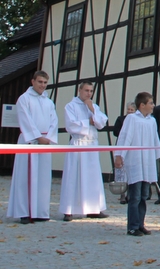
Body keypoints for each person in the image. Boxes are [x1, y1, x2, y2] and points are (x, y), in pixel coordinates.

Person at [6, 71, 58, 224]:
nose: (42, 85)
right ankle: (24, 212)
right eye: (40, 82)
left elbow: (54, 121)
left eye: (45, 83)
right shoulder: (24, 99)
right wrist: (37, 137)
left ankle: (40, 211)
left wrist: (48, 138)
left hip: (45, 143)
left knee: (43, 177)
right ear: (33, 81)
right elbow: (25, 119)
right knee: (25, 177)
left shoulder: (49, 102)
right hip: (29, 140)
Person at [115, 91, 160, 236]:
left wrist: (158, 157)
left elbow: (155, 139)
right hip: (135, 161)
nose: (153, 106)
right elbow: (125, 137)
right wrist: (119, 155)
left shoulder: (152, 121)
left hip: (147, 161)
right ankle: (132, 226)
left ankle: (140, 224)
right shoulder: (131, 119)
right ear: (142, 105)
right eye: (151, 103)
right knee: (134, 196)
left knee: (143, 196)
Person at [60, 81, 109, 221]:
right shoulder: (70, 106)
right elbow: (71, 125)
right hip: (78, 144)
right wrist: (88, 122)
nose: (89, 93)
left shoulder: (94, 106)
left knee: (92, 177)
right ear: (80, 90)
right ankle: (69, 210)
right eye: (86, 90)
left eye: (91, 91)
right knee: (73, 176)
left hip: (92, 145)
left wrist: (92, 110)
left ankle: (93, 209)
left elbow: (102, 122)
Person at [113, 102, 136, 204]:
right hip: (121, 145)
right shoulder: (121, 119)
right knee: (121, 171)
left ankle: (130, 194)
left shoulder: (136, 120)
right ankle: (122, 194)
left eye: (132, 110)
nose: (129, 111)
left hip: (132, 148)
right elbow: (115, 131)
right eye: (128, 109)